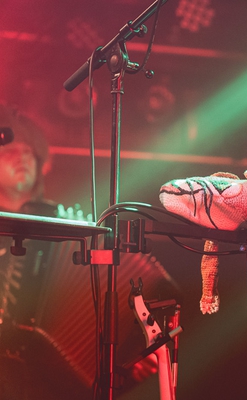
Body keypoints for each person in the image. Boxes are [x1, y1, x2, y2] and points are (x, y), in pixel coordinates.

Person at [0, 104, 161, 399]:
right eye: (9, 151)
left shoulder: (70, 228)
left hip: (57, 385)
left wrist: (138, 352)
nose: (21, 158)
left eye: (27, 152)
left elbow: (113, 301)